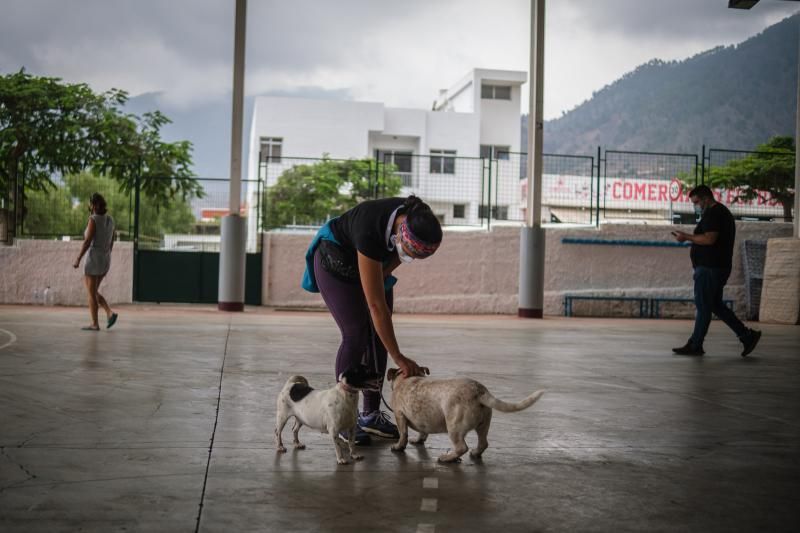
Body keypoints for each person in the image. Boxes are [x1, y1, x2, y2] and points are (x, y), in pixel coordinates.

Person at [302, 195, 442, 444]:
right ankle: (342, 417)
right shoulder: (370, 227)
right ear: (401, 230)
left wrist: (374, 285)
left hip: (371, 262)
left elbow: (383, 277)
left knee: (378, 336)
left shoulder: (418, 219)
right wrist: (399, 357)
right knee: (356, 333)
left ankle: (370, 415)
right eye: (407, 252)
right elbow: (377, 307)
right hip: (336, 259)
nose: (405, 258)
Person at [671, 185, 761, 357]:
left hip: (710, 269)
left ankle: (695, 344)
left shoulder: (715, 213)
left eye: (696, 202)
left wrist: (686, 237)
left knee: (704, 306)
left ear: (706, 198)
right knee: (715, 305)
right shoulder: (717, 213)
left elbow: (709, 239)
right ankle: (747, 336)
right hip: (715, 268)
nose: (695, 206)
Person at [73, 192, 118, 331]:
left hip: (94, 259)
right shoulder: (110, 219)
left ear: (92, 205)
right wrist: (107, 252)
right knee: (93, 291)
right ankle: (105, 317)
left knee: (91, 293)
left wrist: (78, 258)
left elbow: (87, 241)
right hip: (105, 259)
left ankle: (100, 320)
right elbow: (113, 239)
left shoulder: (93, 219)